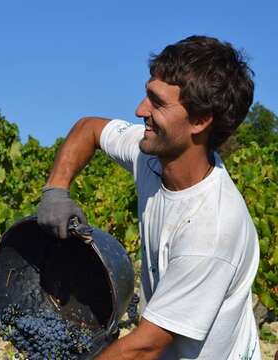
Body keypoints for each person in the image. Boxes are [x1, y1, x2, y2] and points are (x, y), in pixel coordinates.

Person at [37, 35, 259, 359]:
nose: (140, 110)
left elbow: (145, 347)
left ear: (200, 121)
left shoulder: (212, 229)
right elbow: (90, 129)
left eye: (157, 102)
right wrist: (56, 188)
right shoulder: (152, 157)